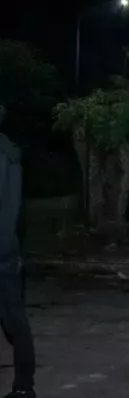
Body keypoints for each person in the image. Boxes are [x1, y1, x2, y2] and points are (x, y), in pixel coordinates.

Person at [0, 105, 36, 398]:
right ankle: (24, 387)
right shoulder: (10, 153)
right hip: (7, 248)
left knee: (14, 320)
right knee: (15, 319)